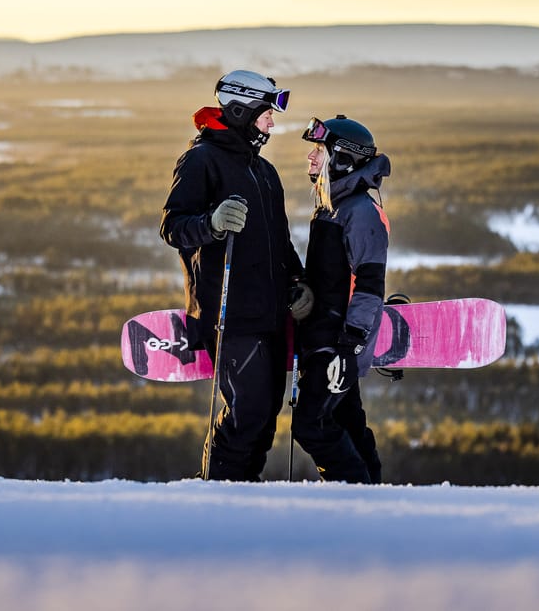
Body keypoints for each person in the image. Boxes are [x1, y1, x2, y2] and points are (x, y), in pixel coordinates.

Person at [160, 70, 313, 481]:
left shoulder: (263, 172)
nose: (272, 123)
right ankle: (217, 494)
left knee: (264, 419)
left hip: (270, 315)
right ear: (241, 108)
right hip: (228, 314)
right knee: (248, 413)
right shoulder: (201, 159)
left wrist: (297, 284)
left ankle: (241, 496)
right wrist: (210, 223)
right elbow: (173, 226)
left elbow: (279, 242)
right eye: (267, 113)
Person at [291, 114, 390, 483]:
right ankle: (373, 498)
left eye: (319, 150)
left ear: (343, 158)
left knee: (311, 423)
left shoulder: (361, 212)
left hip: (338, 342)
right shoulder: (333, 205)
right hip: (325, 334)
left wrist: (350, 346)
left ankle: (353, 494)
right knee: (346, 420)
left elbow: (369, 284)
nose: (311, 158)